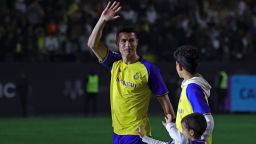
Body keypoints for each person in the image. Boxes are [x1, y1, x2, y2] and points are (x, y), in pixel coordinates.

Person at [87, 1, 175, 143]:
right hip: (117, 132)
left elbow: (164, 100)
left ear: (137, 43)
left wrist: (174, 129)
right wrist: (102, 20)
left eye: (131, 40)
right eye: (123, 41)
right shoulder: (114, 62)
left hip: (137, 133)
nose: (128, 45)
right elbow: (92, 44)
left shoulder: (148, 69)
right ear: (117, 44)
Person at [173, 45, 214, 144]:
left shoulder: (192, 88)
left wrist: (198, 142)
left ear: (180, 66)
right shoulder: (189, 86)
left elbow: (208, 120)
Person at [138, 113, 207, 144]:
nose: (181, 131)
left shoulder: (186, 142)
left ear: (191, 132)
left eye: (183, 129)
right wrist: (144, 138)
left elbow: (181, 139)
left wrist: (169, 125)